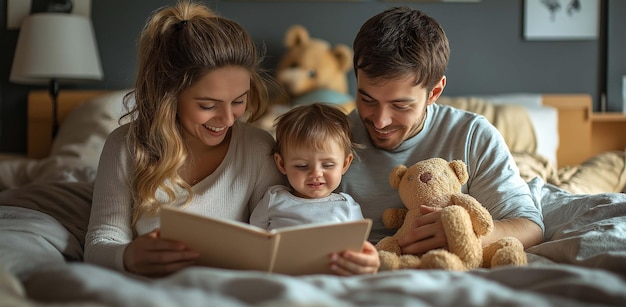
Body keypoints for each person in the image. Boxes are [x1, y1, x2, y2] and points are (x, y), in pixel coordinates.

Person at [84, 0, 285, 277]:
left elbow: (278, 235)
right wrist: (128, 256)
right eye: (207, 105)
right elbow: (100, 243)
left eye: (239, 101)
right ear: (169, 96)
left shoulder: (258, 148)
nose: (228, 119)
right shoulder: (126, 147)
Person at [340, 7, 544, 257]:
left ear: (434, 93)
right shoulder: (333, 136)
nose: (380, 121)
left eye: (400, 105)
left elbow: (530, 226)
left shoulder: (471, 135)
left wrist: (464, 233)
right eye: (367, 99)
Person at [250, 103, 380, 275]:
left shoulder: (346, 206)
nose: (316, 174)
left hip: (330, 273)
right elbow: (253, 239)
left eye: (328, 165)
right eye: (302, 166)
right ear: (281, 164)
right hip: (281, 272)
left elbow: (360, 247)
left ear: (345, 164)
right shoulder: (274, 198)